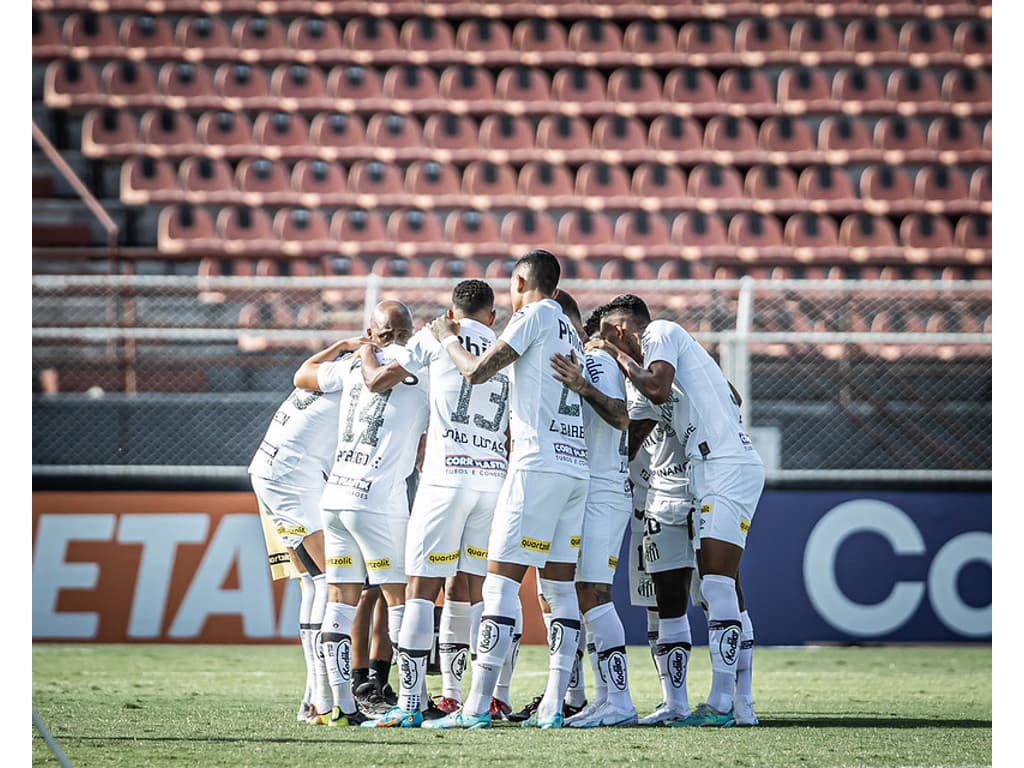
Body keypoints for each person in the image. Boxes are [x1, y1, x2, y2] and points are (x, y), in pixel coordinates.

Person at [422, 249, 590, 730]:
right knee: (559, 590)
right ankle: (556, 705)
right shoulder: (570, 331)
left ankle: (476, 706)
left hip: (536, 466)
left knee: (499, 582)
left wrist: (446, 339)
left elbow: (477, 371)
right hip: (574, 468)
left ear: (520, 282)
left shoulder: (533, 315)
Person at [595, 293, 765, 728]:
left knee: (718, 585)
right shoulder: (651, 375)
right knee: (685, 591)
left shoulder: (662, 332)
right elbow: (633, 432)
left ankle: (726, 701)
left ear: (619, 331)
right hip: (695, 476)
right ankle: (697, 703)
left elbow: (658, 386)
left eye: (609, 342)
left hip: (727, 465)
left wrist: (613, 353)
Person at [354, 279, 512, 728]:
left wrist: (366, 350)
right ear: (491, 315)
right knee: (475, 591)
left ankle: (409, 703)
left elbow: (378, 380)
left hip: (446, 478)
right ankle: (468, 700)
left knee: (420, 590)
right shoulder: (505, 344)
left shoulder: (433, 335)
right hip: (492, 479)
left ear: (451, 310)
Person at [293, 300, 429, 727]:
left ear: (375, 334)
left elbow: (301, 376)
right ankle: (411, 702)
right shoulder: (420, 365)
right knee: (398, 599)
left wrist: (347, 345)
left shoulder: (353, 365)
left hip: (335, 496)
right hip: (379, 499)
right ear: (409, 330)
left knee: (339, 600)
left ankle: (339, 707)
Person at [248, 334, 368, 724]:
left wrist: (340, 344)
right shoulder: (362, 373)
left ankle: (313, 699)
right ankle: (321, 700)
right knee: (335, 580)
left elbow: (303, 371)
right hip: (290, 477)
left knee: (315, 582)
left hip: (275, 470)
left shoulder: (331, 370)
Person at [544, 293, 638, 727]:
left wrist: (582, 384)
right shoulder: (584, 358)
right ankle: (594, 697)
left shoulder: (594, 361)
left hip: (603, 491)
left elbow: (621, 416)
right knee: (576, 593)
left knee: (593, 593)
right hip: (590, 487)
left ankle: (618, 700)